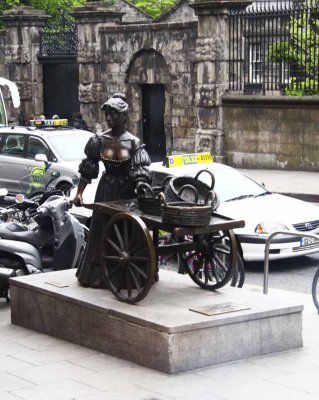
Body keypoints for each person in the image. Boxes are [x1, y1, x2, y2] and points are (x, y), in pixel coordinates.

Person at [72, 93, 151, 288]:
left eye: (114, 114)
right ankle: (99, 274)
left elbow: (140, 172)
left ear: (124, 117)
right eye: (107, 114)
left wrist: (141, 184)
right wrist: (79, 193)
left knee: (126, 230)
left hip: (126, 193)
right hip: (106, 190)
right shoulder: (99, 140)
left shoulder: (134, 143)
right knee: (102, 230)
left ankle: (129, 274)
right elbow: (88, 169)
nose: (109, 118)